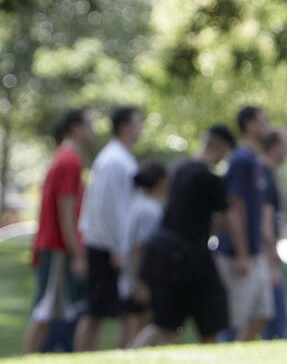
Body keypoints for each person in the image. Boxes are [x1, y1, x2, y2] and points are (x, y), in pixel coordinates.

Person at [133, 125, 235, 347]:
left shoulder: (179, 171)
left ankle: (132, 353)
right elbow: (226, 220)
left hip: (167, 254)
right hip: (194, 256)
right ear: (221, 148)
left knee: (165, 323)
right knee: (212, 319)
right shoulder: (210, 179)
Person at [24, 107, 93, 353]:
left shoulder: (64, 158)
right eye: (88, 124)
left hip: (54, 244)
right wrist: (76, 253)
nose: (92, 129)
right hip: (57, 246)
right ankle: (27, 363)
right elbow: (67, 210)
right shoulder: (69, 160)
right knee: (44, 309)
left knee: (51, 308)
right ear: (74, 127)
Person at [76, 105, 144, 351]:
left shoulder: (121, 158)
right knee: (96, 310)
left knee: (122, 309)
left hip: (111, 244)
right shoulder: (114, 160)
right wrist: (118, 247)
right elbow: (110, 208)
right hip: (106, 245)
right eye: (137, 123)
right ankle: (83, 358)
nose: (141, 129)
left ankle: (118, 355)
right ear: (124, 127)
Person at [214, 105, 273, 342]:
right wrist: (242, 253)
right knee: (234, 318)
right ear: (248, 125)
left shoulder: (255, 162)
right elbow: (235, 207)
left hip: (256, 253)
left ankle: (239, 360)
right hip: (237, 254)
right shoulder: (241, 161)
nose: (266, 125)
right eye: (262, 120)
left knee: (263, 313)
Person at [117, 161, 168, 347]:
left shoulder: (138, 205)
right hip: (140, 278)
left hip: (130, 276)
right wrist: (141, 281)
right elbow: (141, 247)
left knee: (128, 324)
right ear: (161, 182)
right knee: (139, 327)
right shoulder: (149, 210)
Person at [259, 127, 287, 340]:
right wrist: (272, 262)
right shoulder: (264, 176)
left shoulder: (267, 175)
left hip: (265, 256)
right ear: (275, 146)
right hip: (265, 257)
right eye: (286, 144)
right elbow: (265, 223)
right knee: (276, 321)